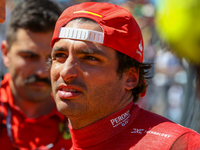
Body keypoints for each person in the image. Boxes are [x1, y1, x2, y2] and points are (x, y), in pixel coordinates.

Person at [49, 2, 200, 150]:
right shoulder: (49, 141)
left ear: (131, 78)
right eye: (60, 55)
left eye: (90, 59)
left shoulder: (179, 144)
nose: (66, 72)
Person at [0, 0, 72, 149]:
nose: (41, 71)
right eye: (29, 56)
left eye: (52, 58)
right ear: (5, 53)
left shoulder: (84, 117)